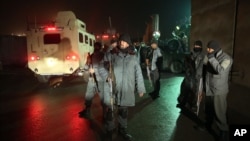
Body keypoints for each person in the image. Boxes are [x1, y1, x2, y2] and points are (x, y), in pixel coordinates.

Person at [101, 33, 146, 141]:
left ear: (128, 43)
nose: (122, 43)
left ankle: (122, 130)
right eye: (120, 41)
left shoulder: (133, 56)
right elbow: (103, 65)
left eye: (124, 41)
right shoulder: (113, 54)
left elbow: (138, 73)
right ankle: (110, 130)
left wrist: (140, 88)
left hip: (127, 89)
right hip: (114, 88)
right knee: (110, 111)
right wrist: (107, 75)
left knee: (124, 111)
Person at [196, 40, 233, 141]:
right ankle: (207, 125)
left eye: (210, 48)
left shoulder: (226, 58)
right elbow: (204, 68)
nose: (207, 50)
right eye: (207, 48)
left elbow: (220, 70)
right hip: (209, 88)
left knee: (219, 111)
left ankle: (224, 131)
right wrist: (202, 82)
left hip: (219, 90)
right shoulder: (208, 55)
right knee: (208, 109)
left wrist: (211, 58)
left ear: (215, 48)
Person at [78, 42, 110, 118]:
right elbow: (86, 68)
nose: (96, 48)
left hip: (101, 80)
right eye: (95, 46)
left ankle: (105, 114)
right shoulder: (91, 56)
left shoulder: (104, 56)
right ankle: (87, 111)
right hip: (92, 79)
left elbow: (107, 68)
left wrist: (94, 70)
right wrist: (87, 62)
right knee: (88, 96)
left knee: (103, 97)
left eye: (97, 47)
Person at [177, 40, 205, 112]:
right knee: (185, 89)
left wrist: (198, 74)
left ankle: (195, 105)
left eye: (198, 46)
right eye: (196, 46)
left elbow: (202, 67)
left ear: (201, 47)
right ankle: (183, 102)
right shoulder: (190, 54)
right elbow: (186, 65)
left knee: (196, 91)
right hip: (189, 76)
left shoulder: (203, 56)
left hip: (198, 77)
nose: (197, 47)